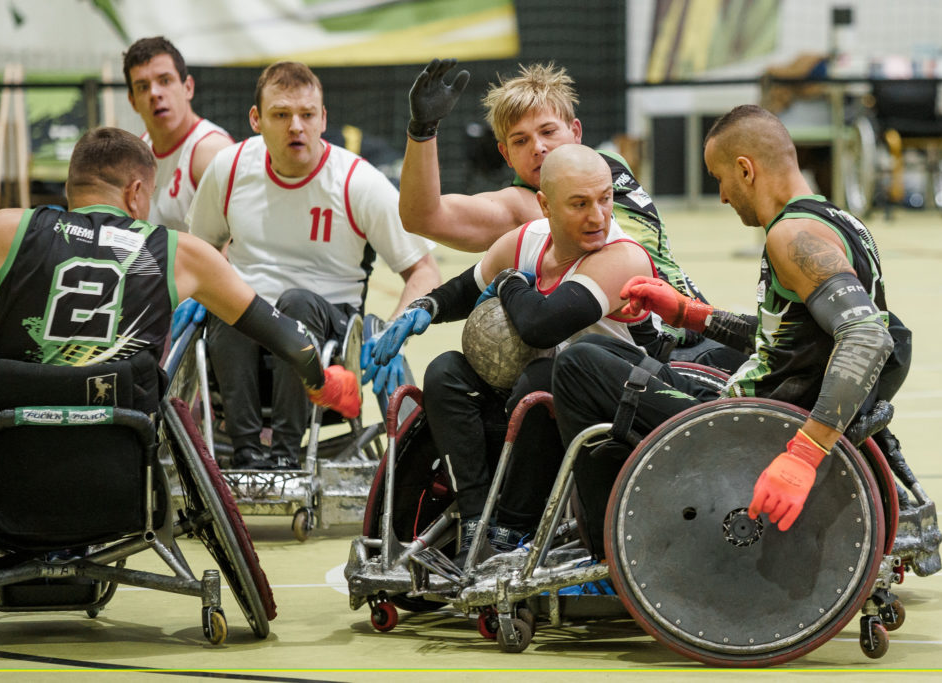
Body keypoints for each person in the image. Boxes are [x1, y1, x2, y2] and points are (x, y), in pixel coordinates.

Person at [552, 105, 904, 557]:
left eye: (720, 179)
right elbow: (790, 340)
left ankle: (610, 552)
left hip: (747, 431)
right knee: (606, 350)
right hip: (753, 410)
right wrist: (690, 314)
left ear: (745, 170)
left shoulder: (792, 236)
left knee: (578, 364)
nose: (721, 196)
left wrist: (804, 454)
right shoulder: (832, 220)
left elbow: (868, 336)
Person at [0, 127, 360, 439]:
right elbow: (291, 341)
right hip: (118, 457)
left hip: (10, 454)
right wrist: (325, 384)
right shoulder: (182, 253)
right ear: (137, 191)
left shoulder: (3, 229)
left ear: (70, 189)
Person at [369, 144, 658, 565]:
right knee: (446, 372)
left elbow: (542, 324)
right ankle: (474, 521)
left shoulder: (622, 256)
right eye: (579, 204)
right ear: (545, 205)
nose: (598, 216)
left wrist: (507, 281)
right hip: (538, 407)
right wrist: (423, 308)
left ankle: (512, 527)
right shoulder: (528, 240)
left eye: (605, 199)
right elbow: (465, 289)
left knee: (543, 377)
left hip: (609, 414)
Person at [398, 59, 743, 371]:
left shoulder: (610, 165)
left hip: (700, 324)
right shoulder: (522, 205)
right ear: (505, 154)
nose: (538, 147)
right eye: (520, 141)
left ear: (575, 132)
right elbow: (423, 217)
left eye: (548, 132)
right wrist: (423, 131)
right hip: (654, 355)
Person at [187, 61, 440, 470]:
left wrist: (394, 330)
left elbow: (424, 271)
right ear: (256, 119)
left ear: (323, 119)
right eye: (281, 115)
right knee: (227, 304)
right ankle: (248, 453)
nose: (295, 127)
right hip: (245, 330)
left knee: (297, 304)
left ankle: (286, 456)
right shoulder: (229, 169)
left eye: (307, 115)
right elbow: (197, 252)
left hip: (331, 338)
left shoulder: (358, 181)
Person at [123, 36, 233, 233]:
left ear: (188, 88)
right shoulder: (138, 151)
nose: (155, 93)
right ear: (132, 101)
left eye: (165, 81)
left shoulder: (212, 151)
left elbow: (232, 245)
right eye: (142, 87)